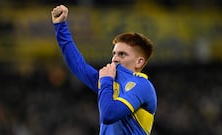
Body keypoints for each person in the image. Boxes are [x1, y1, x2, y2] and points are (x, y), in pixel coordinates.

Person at [51, 5, 157, 135]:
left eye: (122, 54)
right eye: (114, 54)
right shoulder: (111, 81)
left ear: (139, 61)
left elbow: (109, 114)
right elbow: (78, 65)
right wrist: (60, 26)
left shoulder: (143, 86)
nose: (114, 59)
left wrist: (106, 80)